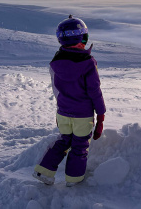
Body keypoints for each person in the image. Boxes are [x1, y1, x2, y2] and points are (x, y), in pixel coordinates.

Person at [33, 15, 106, 187]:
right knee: (80, 147)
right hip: (83, 116)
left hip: (63, 114)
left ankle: (43, 171)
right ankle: (74, 181)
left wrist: (61, 110)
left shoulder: (56, 62)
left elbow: (57, 89)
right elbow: (94, 91)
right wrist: (101, 115)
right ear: (82, 38)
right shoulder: (88, 63)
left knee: (63, 142)